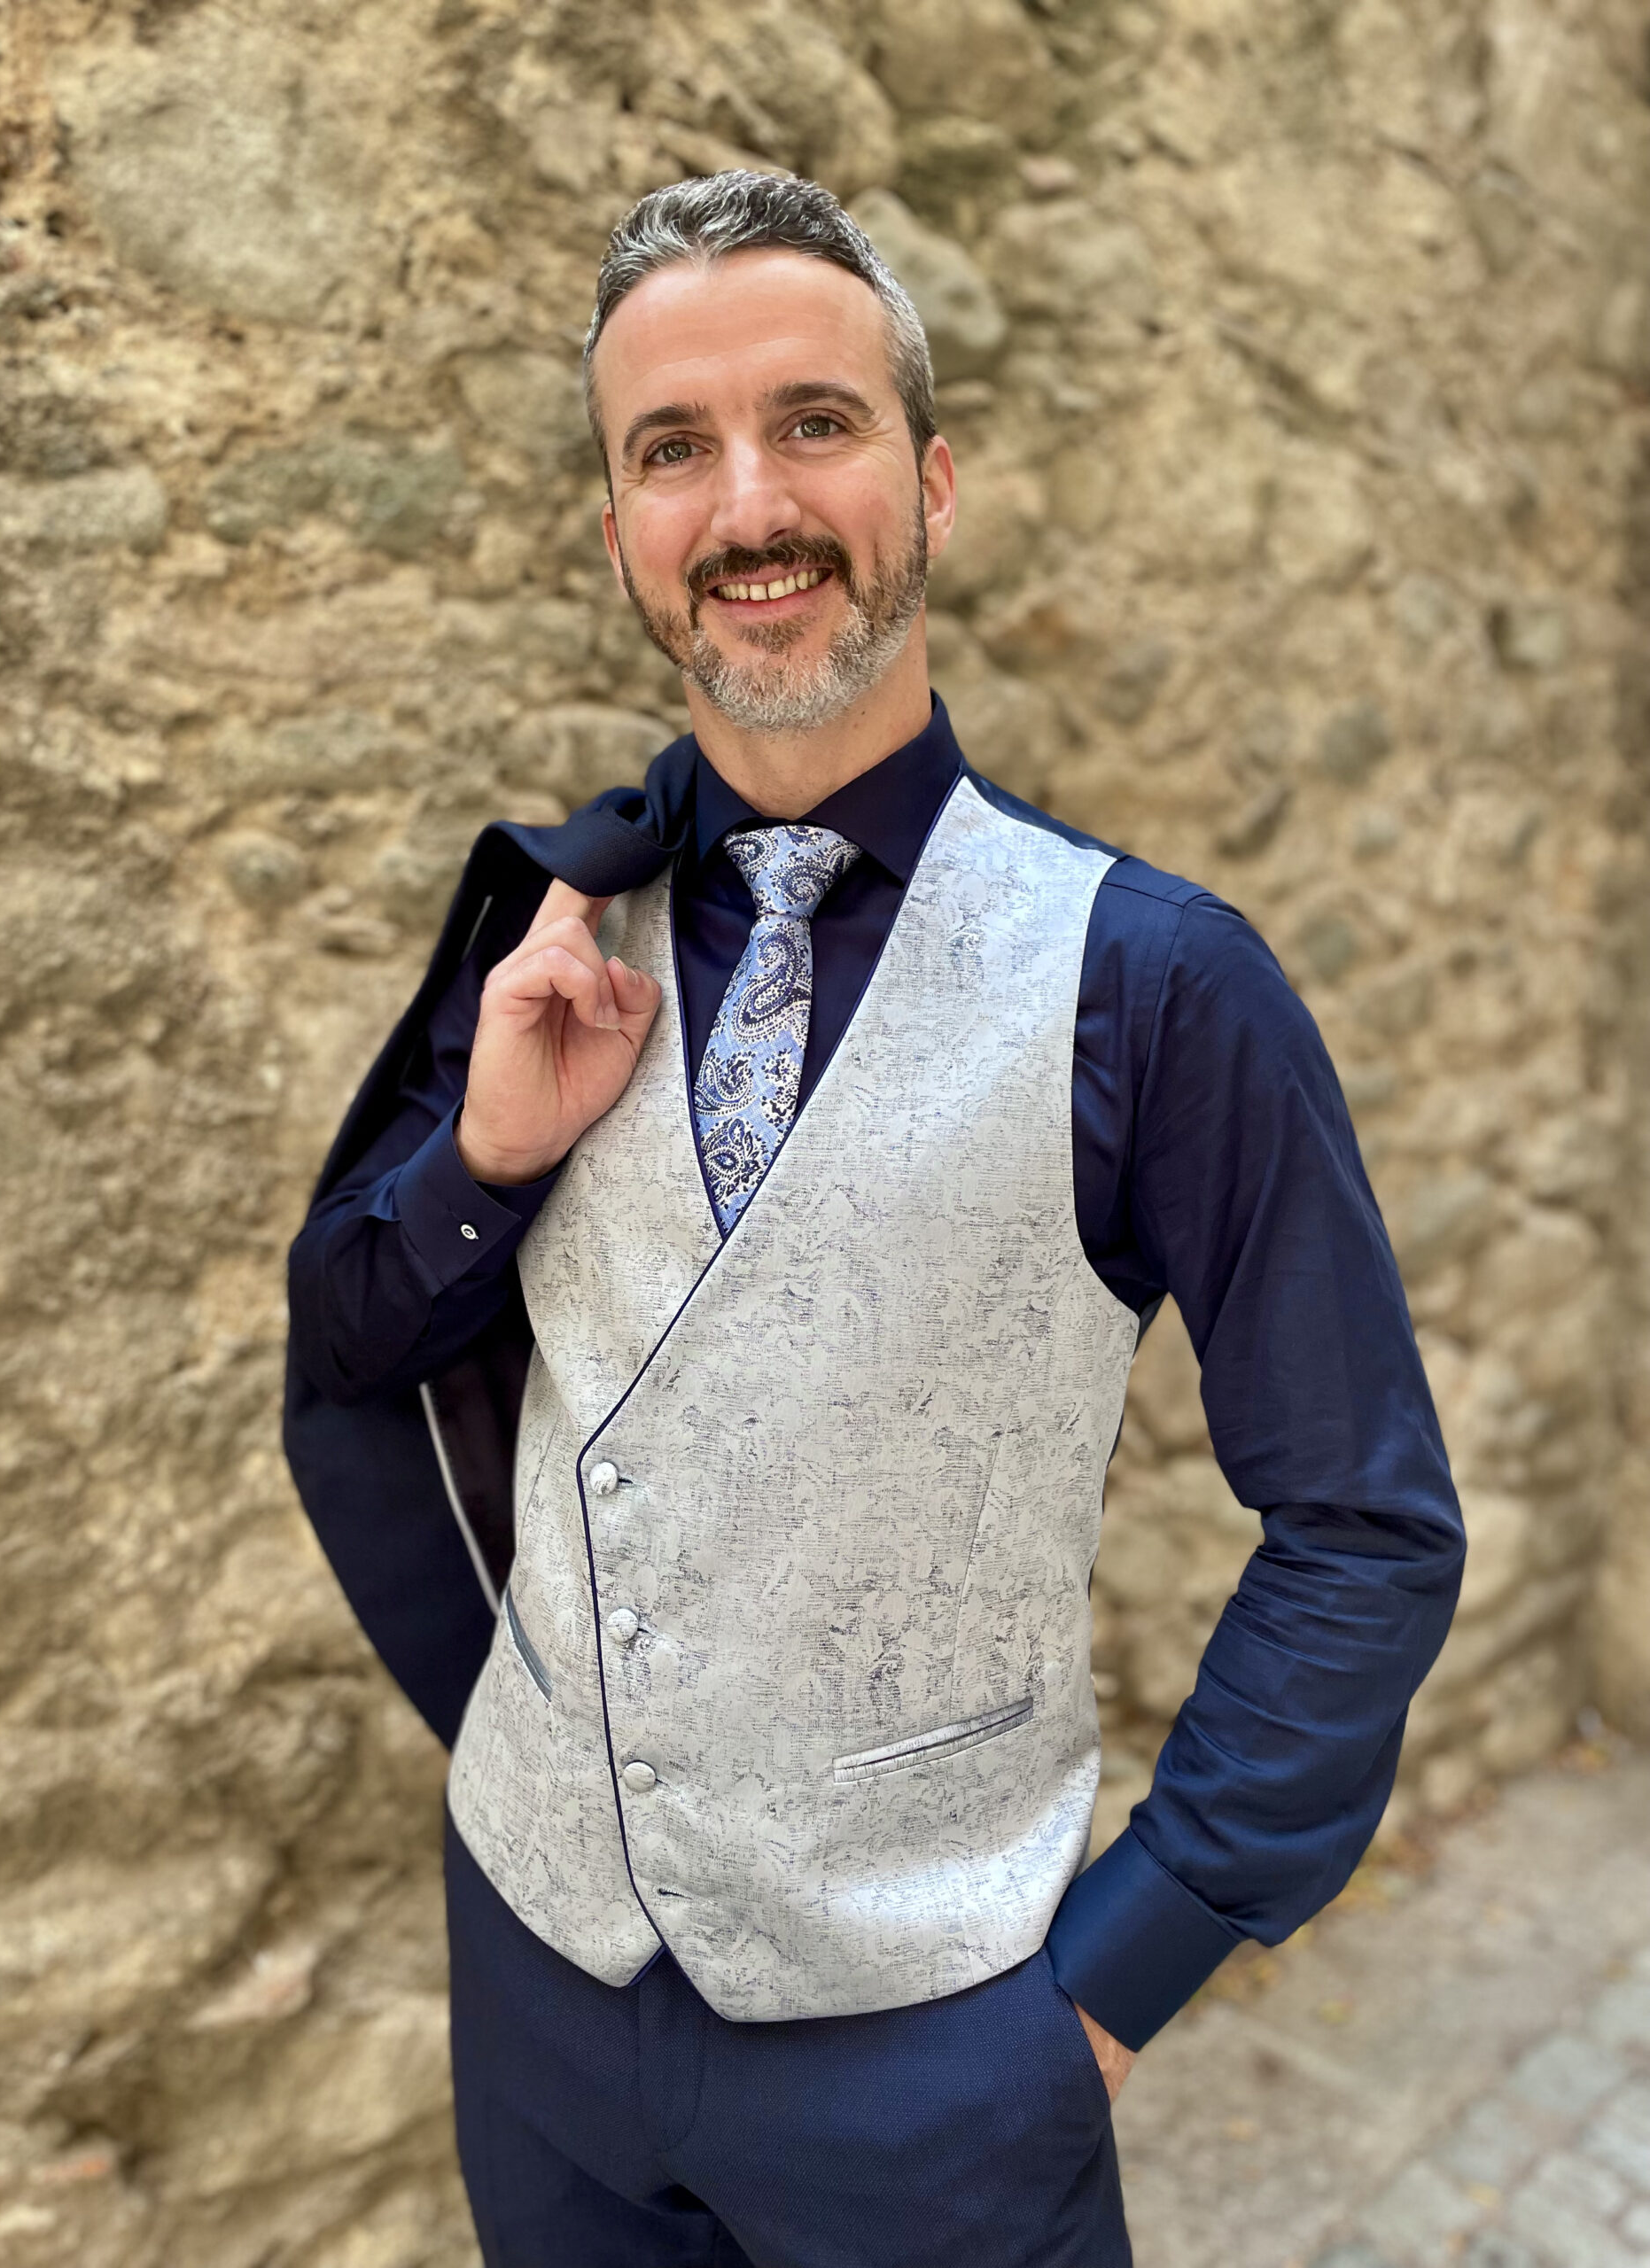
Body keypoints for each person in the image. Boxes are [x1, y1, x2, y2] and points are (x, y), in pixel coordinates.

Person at [284, 170, 1465, 2268]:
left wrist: (1111, 1985)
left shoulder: (1155, 983)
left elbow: (1365, 1523)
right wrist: (483, 1165)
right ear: (623, 530)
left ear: (930, 481)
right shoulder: (555, 932)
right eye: (674, 448)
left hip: (939, 2068)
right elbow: (353, 1349)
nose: (749, 504)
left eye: (813, 423)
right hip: (541, 1999)